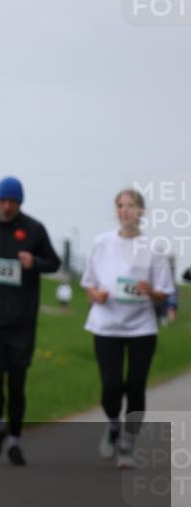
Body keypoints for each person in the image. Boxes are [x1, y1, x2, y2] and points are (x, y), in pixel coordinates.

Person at [0, 177, 60, 466]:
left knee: (17, 381)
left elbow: (54, 262)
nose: (6, 206)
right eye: (2, 201)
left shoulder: (34, 229)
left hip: (22, 318)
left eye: (11, 202)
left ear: (19, 202)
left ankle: (15, 440)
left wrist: (35, 263)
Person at [80, 189, 175, 469]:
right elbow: (89, 284)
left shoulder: (154, 247)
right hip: (106, 324)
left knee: (135, 386)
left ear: (141, 211)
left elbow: (164, 293)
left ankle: (128, 443)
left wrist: (151, 292)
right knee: (111, 386)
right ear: (116, 211)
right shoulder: (101, 243)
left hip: (141, 328)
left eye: (131, 206)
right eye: (120, 206)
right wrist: (94, 295)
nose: (125, 211)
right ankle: (112, 425)